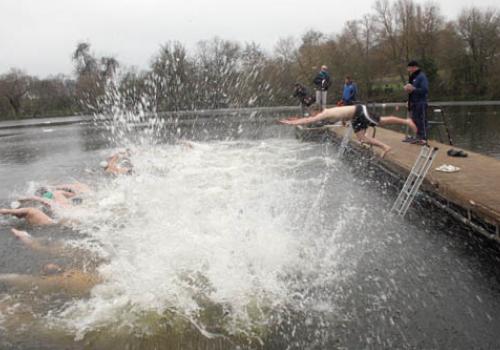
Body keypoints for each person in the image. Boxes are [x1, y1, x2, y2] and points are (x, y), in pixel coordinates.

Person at [279, 104, 417, 158]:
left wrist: (292, 122)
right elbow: (341, 115)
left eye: (313, 113)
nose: (313, 115)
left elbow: (308, 121)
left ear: (317, 110)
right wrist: (344, 121)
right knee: (362, 138)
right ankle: (386, 147)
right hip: (354, 116)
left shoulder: (324, 114)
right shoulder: (326, 112)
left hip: (359, 111)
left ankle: (407, 121)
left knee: (381, 121)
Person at [404, 60, 429, 145]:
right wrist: (409, 100)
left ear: (414, 67)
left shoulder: (421, 76)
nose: (408, 70)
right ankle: (418, 137)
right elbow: (411, 91)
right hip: (414, 103)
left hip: (421, 103)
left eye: (409, 68)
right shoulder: (413, 77)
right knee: (415, 120)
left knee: (421, 120)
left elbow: (425, 90)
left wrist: (413, 89)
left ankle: (423, 138)